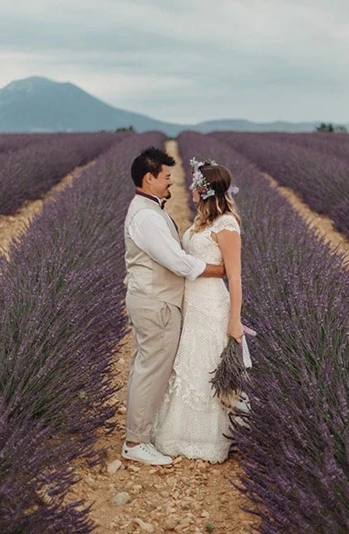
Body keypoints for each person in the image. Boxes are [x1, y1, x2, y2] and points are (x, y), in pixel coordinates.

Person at [122, 147, 226, 466]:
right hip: (156, 302)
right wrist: (216, 270)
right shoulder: (146, 216)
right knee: (152, 370)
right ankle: (135, 442)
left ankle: (140, 433)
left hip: (153, 300)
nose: (171, 182)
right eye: (166, 176)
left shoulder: (149, 209)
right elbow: (176, 261)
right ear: (149, 178)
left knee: (147, 366)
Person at [153, 158, 245, 464]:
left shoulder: (226, 224)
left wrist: (235, 321)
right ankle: (178, 433)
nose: (190, 188)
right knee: (188, 363)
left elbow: (234, 276)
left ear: (204, 190)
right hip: (191, 303)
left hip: (211, 305)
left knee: (206, 366)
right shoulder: (200, 221)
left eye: (195, 184)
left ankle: (208, 439)